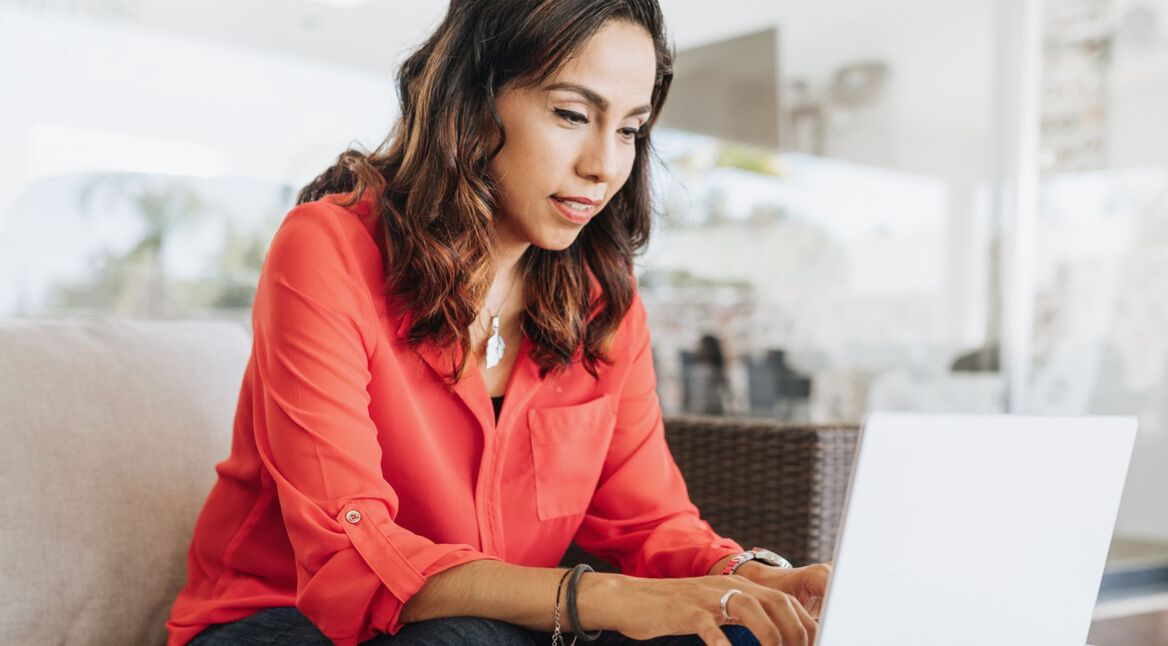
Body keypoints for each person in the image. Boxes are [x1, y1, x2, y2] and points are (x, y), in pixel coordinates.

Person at [165, 1, 830, 644]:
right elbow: (351, 552)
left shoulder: (602, 302)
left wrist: (755, 582)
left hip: (508, 625)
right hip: (284, 622)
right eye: (572, 114)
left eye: (629, 129)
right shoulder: (327, 250)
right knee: (465, 638)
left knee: (733, 635)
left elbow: (649, 523)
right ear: (472, 102)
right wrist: (600, 597)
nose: (604, 166)